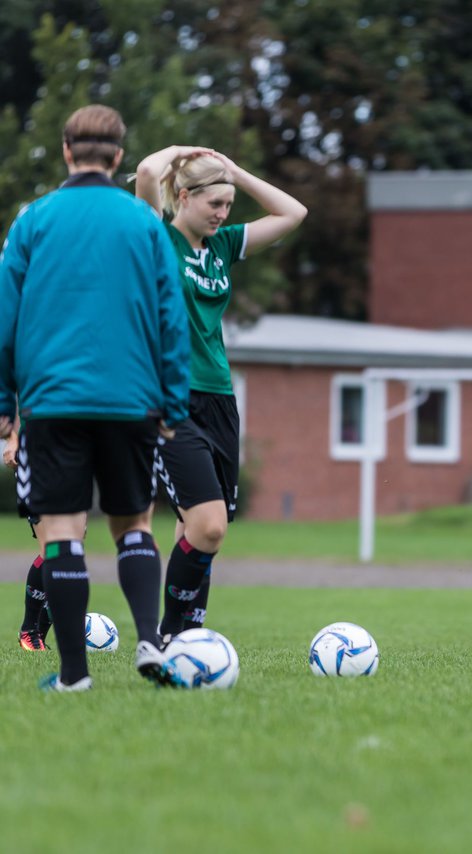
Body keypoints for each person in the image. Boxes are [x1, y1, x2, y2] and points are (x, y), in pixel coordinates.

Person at [0, 104, 191, 692]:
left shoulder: (34, 220)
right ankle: (148, 642)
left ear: (65, 152)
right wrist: (174, 403)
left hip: (52, 402)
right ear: (116, 158)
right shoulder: (142, 224)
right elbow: (170, 316)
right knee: (133, 524)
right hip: (132, 400)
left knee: (61, 531)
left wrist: (5, 406)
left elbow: (6, 318)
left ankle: (75, 676)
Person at [133, 145, 306, 643]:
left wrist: (235, 174)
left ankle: (188, 636)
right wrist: (185, 152)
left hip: (221, 400)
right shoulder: (156, 238)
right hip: (170, 400)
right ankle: (167, 634)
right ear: (183, 197)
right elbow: (147, 171)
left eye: (228, 206)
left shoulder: (225, 245)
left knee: (199, 528)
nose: (223, 214)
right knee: (208, 528)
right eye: (214, 204)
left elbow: (293, 213)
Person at [4, 423, 50, 651]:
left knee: (71, 549)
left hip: (72, 450)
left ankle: (40, 633)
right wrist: (13, 438)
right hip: (35, 452)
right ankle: (29, 630)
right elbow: (18, 391)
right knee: (52, 549)